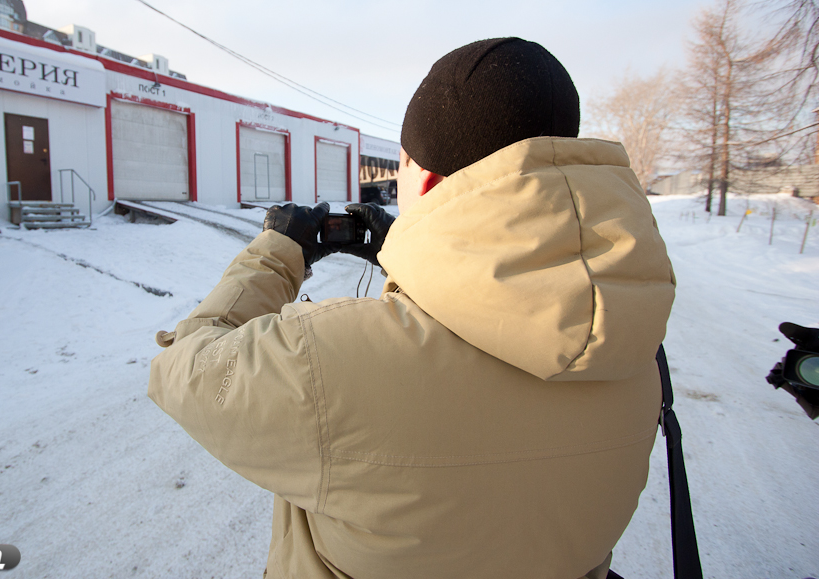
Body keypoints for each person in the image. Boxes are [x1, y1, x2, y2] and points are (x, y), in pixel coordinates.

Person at [148, 38, 676, 579]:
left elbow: (181, 368)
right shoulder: (633, 349)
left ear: (423, 178)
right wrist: (419, 264)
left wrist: (276, 255)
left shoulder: (325, 361)